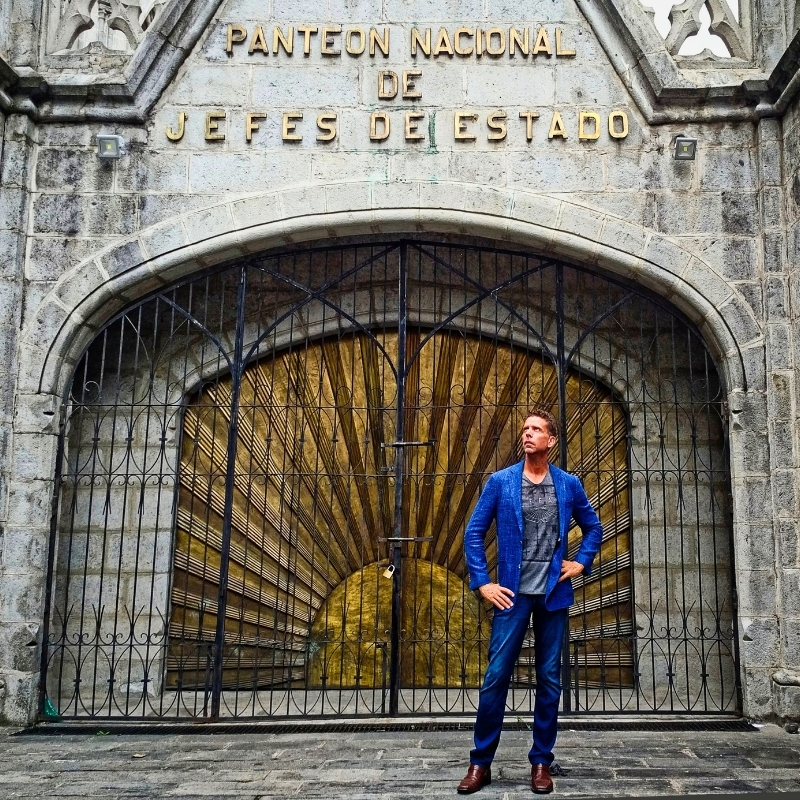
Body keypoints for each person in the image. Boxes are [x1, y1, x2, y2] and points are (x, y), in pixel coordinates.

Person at [457, 409, 603, 795]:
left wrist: (581, 562)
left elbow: (593, 526)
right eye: (525, 429)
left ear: (551, 441)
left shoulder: (569, 485)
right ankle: (480, 763)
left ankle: (541, 762)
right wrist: (483, 583)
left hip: (553, 595)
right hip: (511, 596)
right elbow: (473, 532)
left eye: (536, 429)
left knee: (549, 680)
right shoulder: (501, 482)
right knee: (495, 679)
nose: (528, 434)